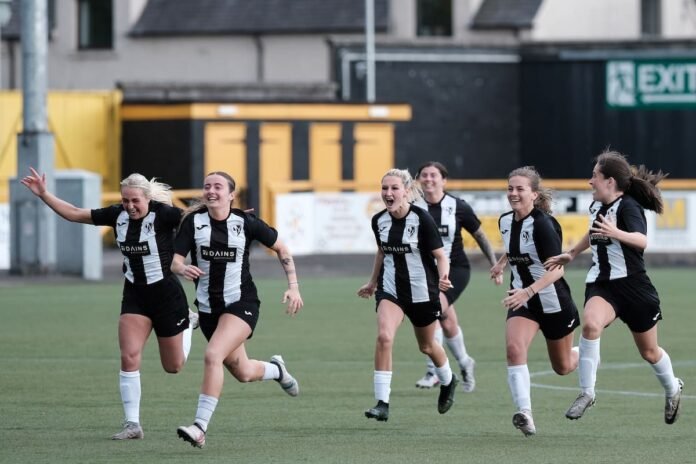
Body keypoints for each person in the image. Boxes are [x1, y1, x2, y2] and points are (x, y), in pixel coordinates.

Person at [20, 167, 197, 440]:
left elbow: (198, 220)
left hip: (167, 297)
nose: (130, 206)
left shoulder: (164, 214)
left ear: (148, 199)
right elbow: (75, 213)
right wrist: (44, 194)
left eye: (135, 200)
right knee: (129, 356)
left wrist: (234, 217)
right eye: (125, 200)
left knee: (173, 367)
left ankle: (189, 321)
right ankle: (132, 424)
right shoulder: (117, 215)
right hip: (135, 295)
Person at [544, 150, 683, 424]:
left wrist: (615, 233)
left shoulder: (628, 206)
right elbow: (593, 232)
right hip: (603, 285)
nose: (589, 181)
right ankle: (587, 393)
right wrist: (571, 253)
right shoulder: (596, 207)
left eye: (594, 176)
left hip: (634, 289)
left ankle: (672, 388)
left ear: (610, 181)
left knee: (649, 352)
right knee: (590, 325)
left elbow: (642, 241)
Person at [173, 171, 303, 448]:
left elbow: (282, 248)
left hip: (241, 304)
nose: (211, 190)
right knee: (243, 372)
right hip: (208, 310)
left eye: (218, 186)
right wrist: (182, 268)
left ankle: (199, 427)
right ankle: (277, 370)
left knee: (213, 355)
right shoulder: (193, 223)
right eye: (207, 186)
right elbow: (175, 262)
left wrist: (293, 286)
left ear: (231, 195)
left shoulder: (245, 223)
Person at [357, 168, 459, 422]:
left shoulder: (422, 219)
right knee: (384, 337)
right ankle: (382, 403)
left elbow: (440, 256)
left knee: (427, 346)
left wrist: (444, 277)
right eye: (384, 188)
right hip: (391, 290)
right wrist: (372, 282)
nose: (388, 193)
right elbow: (382, 252)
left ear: (406, 191)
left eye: (394, 188)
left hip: (423, 292)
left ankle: (448, 380)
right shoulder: (378, 220)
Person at [489, 166, 579, 436]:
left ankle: (586, 355)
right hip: (523, 302)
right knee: (514, 349)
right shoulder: (505, 220)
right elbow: (514, 246)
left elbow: (558, 270)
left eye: (520, 189)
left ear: (534, 194)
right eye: (510, 188)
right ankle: (525, 413)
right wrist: (501, 264)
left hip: (553, 302)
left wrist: (528, 291)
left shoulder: (543, 224)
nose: (513, 193)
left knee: (563, 367)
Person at [413, 161, 500, 392]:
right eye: (424, 175)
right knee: (447, 321)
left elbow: (480, 235)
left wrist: (494, 264)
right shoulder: (413, 207)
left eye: (433, 175)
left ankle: (434, 371)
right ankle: (465, 362)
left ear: (444, 180)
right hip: (426, 273)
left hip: (455, 270)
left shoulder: (458, 206)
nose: (428, 179)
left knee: (433, 309)